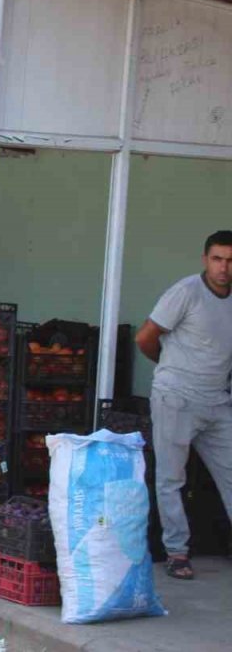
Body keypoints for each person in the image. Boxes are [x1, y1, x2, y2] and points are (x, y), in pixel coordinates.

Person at [135, 230, 232, 581]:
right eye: (217, 259)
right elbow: (145, 337)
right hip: (176, 398)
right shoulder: (186, 292)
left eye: (230, 261)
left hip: (217, 401)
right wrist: (170, 369)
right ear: (205, 259)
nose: (224, 267)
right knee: (171, 478)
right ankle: (176, 552)